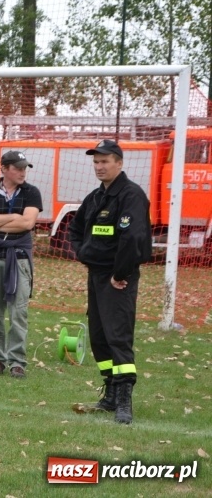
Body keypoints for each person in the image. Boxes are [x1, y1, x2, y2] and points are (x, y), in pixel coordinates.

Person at [68, 139, 151, 424]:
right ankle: (110, 394)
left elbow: (133, 239)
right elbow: (76, 228)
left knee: (118, 336)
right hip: (96, 275)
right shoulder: (95, 197)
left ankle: (125, 400)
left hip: (119, 278)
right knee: (99, 336)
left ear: (119, 162)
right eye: (96, 162)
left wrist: (120, 274)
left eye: (105, 161)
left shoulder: (131, 195)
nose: (99, 166)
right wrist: (82, 252)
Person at [0, 151, 43, 379]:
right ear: (4, 168)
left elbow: (27, 222)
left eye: (25, 167)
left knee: (19, 313)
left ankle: (17, 362)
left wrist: (0, 220)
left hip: (20, 259)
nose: (23, 171)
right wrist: (14, 217)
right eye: (18, 167)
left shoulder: (32, 193)